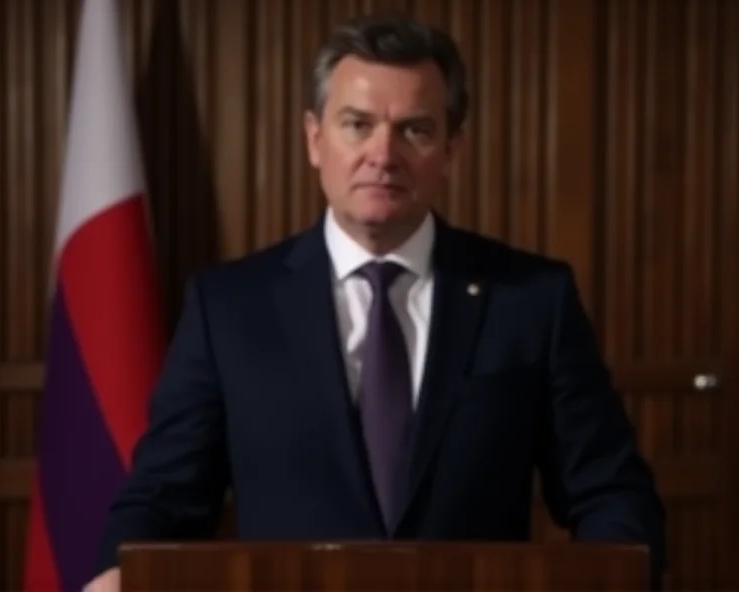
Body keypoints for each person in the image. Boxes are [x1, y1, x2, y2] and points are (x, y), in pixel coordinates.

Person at [85, 13, 666, 592]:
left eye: (415, 130)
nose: (382, 155)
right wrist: (117, 572)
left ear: (452, 148)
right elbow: (163, 496)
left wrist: (621, 577)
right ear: (315, 139)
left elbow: (609, 491)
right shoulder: (228, 308)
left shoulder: (532, 300)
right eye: (357, 124)